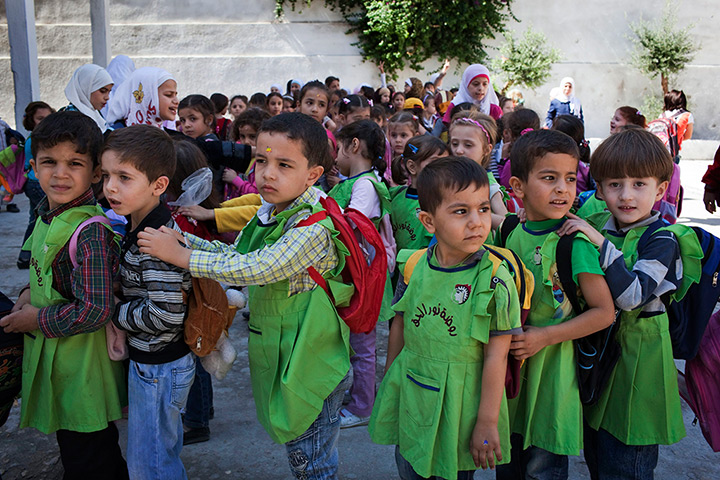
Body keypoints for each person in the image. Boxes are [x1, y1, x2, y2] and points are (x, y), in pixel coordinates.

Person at [136, 112, 352, 479]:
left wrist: (183, 256)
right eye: (262, 161)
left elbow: (258, 268)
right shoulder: (272, 210)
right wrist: (184, 239)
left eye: (284, 165)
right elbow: (238, 255)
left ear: (313, 175)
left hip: (313, 362)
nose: (267, 173)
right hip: (291, 353)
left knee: (312, 460)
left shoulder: (314, 227)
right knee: (301, 452)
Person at [369, 157, 522, 479]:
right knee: (408, 466)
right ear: (428, 222)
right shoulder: (412, 265)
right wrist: (389, 382)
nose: (477, 222)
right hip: (412, 391)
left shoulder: (496, 278)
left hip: (461, 405)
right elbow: (400, 325)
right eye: (460, 211)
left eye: (482, 209)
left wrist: (487, 421)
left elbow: (497, 354)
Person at [557, 127, 693, 479]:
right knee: (598, 458)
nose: (626, 195)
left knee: (626, 464)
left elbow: (632, 297)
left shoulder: (663, 239)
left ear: (661, 189)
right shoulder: (600, 222)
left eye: (639, 184)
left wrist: (600, 243)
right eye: (615, 184)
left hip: (639, 368)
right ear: (599, 189)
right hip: (602, 362)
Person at [0, 111, 128, 478]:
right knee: (80, 451)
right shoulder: (46, 215)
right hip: (62, 366)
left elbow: (95, 309)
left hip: (84, 373)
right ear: (33, 168)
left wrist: (34, 319)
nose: (60, 174)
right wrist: (27, 292)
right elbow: (49, 273)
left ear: (95, 173)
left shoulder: (90, 232)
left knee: (90, 458)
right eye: (49, 163)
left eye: (74, 163)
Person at [493, 130, 615, 480]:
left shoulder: (573, 243)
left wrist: (545, 336)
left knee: (542, 469)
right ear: (517, 187)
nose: (563, 188)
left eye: (569, 178)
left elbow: (603, 313)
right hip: (512, 372)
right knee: (509, 465)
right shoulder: (511, 232)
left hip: (553, 376)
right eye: (549, 178)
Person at [102, 125, 195, 479]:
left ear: (158, 185)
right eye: (107, 175)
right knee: (158, 455)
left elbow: (166, 313)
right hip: (157, 365)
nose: (110, 187)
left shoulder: (153, 241)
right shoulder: (138, 224)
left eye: (124, 177)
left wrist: (112, 312)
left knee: (150, 465)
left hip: (158, 368)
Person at [326, 120, 396, 429]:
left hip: (364, 278)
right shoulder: (356, 182)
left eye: (339, 148)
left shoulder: (364, 186)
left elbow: (350, 225)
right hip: (356, 276)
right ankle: (359, 396)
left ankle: (363, 406)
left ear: (354, 146)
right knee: (357, 342)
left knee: (363, 346)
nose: (336, 156)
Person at [448, 111, 507, 228]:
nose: (459, 150)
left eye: (468, 145)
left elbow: (504, 220)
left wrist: (467, 213)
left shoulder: (488, 184)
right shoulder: (447, 177)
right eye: (455, 144)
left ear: (486, 149)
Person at [389, 135, 449, 251]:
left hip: (427, 266)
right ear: (412, 167)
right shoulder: (393, 196)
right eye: (436, 163)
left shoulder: (445, 201)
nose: (444, 169)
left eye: (446, 163)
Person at [17, 101, 54, 269]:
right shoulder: (36, 140)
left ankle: (26, 256)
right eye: (40, 118)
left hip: (33, 182)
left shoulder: (37, 137)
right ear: (31, 120)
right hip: (36, 183)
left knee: (35, 219)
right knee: (42, 220)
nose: (44, 122)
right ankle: (29, 256)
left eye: (48, 118)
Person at [106, 67, 179, 129]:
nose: (176, 101)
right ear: (147, 98)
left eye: (175, 95)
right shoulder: (115, 137)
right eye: (168, 95)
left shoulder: (172, 138)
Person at [497, 108, 541, 190]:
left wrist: (503, 161)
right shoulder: (543, 153)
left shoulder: (513, 161)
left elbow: (504, 186)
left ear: (510, 132)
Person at [61, 63, 114, 132]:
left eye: (109, 92)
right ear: (86, 88)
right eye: (103, 91)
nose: (107, 97)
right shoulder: (71, 118)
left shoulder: (95, 113)